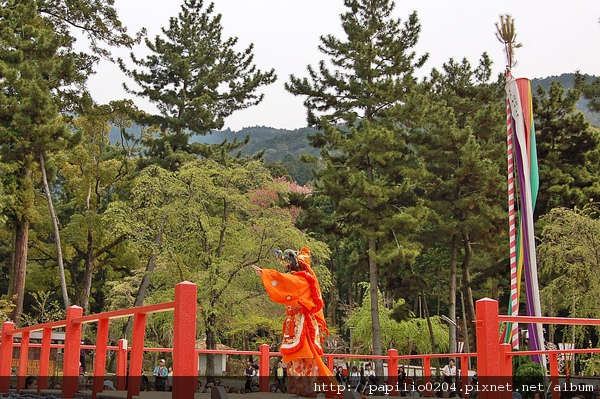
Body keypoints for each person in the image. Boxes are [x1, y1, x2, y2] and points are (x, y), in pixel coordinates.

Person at [252, 246, 334, 397]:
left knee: (303, 355)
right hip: (295, 321)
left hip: (302, 322)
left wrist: (266, 273)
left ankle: (305, 387)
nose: (288, 267)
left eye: (290, 263)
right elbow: (286, 281)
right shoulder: (304, 280)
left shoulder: (302, 280)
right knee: (298, 357)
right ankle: (300, 386)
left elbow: (285, 281)